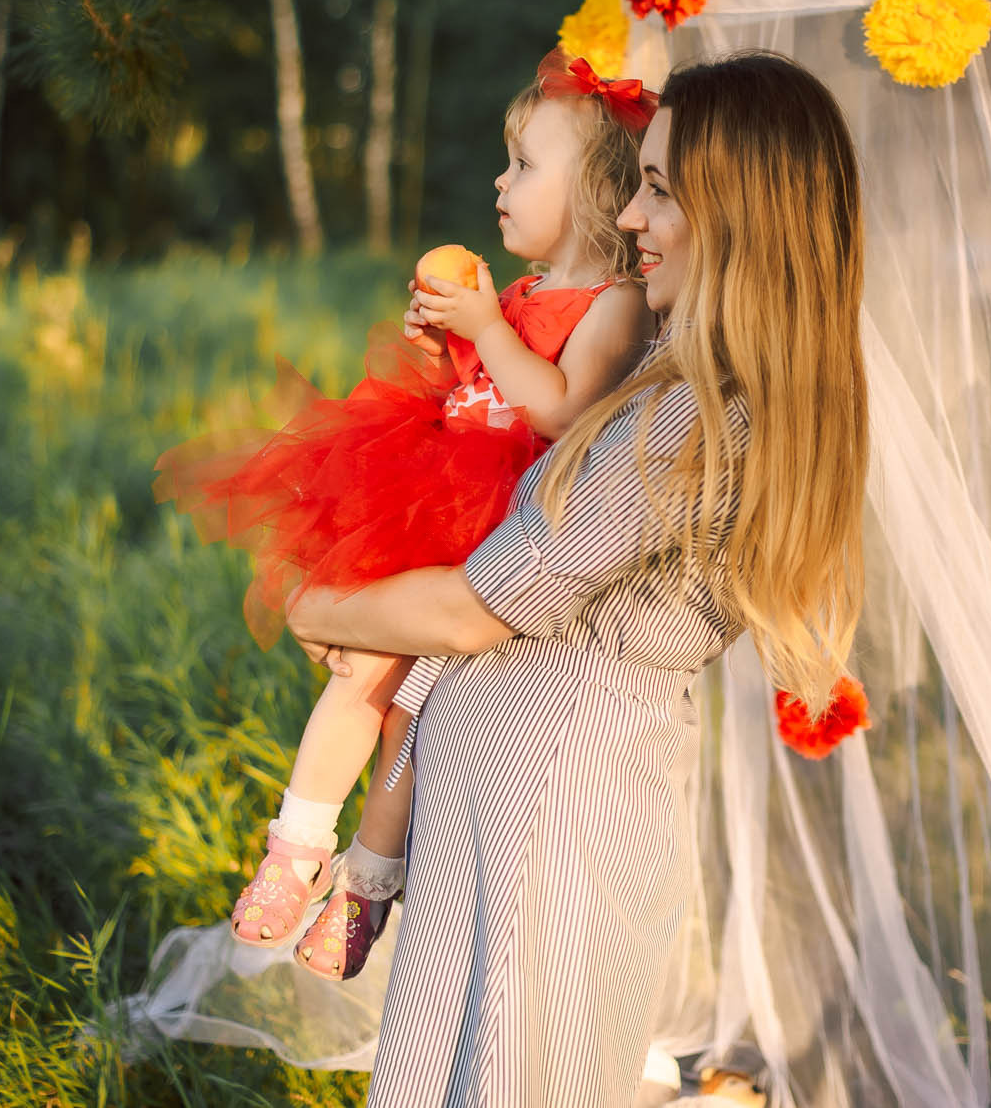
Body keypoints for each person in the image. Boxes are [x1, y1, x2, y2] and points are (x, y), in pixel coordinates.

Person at [283, 49, 869, 1106]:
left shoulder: (689, 417)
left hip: (544, 814)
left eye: (656, 189)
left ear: (734, 212)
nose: (632, 219)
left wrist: (312, 605)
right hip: (521, 802)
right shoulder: (679, 380)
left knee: (509, 1073)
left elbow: (477, 608)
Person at [152, 48, 659, 981]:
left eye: (522, 167)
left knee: (409, 721)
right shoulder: (515, 294)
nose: (498, 183)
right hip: (438, 503)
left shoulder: (617, 304)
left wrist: (487, 332)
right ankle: (297, 845)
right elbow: (467, 400)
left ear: (592, 190)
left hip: (504, 531)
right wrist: (443, 351)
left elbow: (556, 409)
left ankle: (366, 886)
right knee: (364, 672)